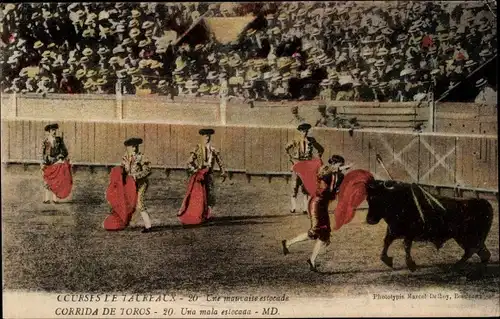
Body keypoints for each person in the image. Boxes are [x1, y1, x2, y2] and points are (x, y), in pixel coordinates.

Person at [281, 157, 344, 272]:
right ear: (334, 164)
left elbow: (336, 189)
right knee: (314, 232)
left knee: (324, 235)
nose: (341, 168)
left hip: (323, 205)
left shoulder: (337, 175)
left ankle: (312, 260)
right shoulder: (326, 172)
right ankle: (288, 243)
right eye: (340, 165)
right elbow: (324, 190)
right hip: (316, 204)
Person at [103, 137, 153, 232]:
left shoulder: (142, 157)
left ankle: (148, 226)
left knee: (139, 203)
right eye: (132, 147)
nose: (135, 148)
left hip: (140, 184)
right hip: (129, 185)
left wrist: (136, 176)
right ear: (128, 147)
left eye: (136, 146)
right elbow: (123, 170)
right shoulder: (125, 157)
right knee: (127, 202)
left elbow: (148, 170)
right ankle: (125, 221)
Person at [179, 128, 227, 225]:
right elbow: (189, 162)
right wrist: (196, 170)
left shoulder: (213, 149)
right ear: (202, 137)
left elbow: (220, 162)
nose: (207, 138)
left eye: (209, 136)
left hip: (209, 174)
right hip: (200, 175)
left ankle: (207, 214)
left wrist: (223, 172)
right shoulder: (197, 148)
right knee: (199, 196)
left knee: (209, 194)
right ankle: (199, 214)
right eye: (205, 136)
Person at [285, 123, 324, 214]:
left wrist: (318, 158)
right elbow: (286, 148)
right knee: (294, 186)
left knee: (305, 186)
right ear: (300, 131)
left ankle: (305, 208)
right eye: (303, 131)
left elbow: (321, 149)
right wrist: (291, 159)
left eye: (306, 131)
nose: (305, 133)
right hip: (297, 164)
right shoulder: (295, 140)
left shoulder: (311, 140)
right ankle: (293, 207)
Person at [40, 123, 72, 203]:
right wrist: (43, 162)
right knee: (47, 179)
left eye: (55, 130)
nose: (54, 132)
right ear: (49, 131)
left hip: (57, 162)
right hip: (48, 162)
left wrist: (60, 157)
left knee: (56, 180)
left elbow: (65, 151)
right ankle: (47, 199)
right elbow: (44, 154)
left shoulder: (59, 140)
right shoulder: (46, 141)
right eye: (52, 130)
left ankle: (54, 199)